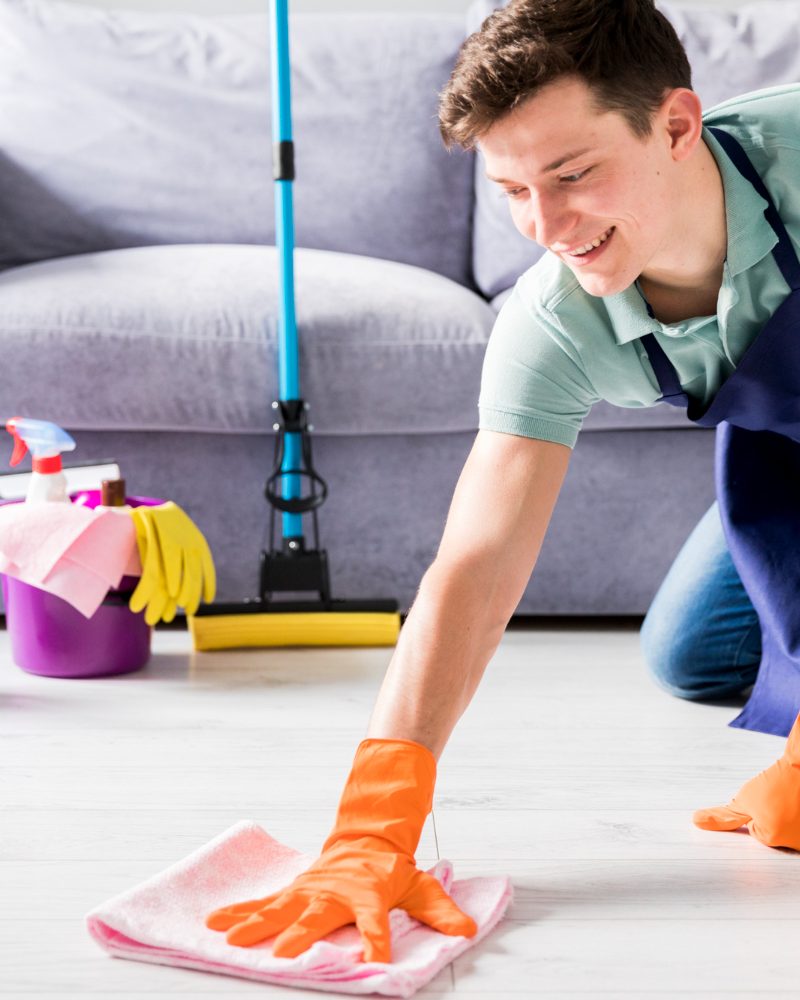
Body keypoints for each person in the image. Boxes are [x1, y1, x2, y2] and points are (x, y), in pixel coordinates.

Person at [205, 0, 800, 963]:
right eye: (513, 190)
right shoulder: (555, 323)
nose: (548, 226)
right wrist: (375, 827)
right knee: (689, 656)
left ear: (679, 126)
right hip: (775, 440)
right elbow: (475, 566)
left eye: (573, 175)